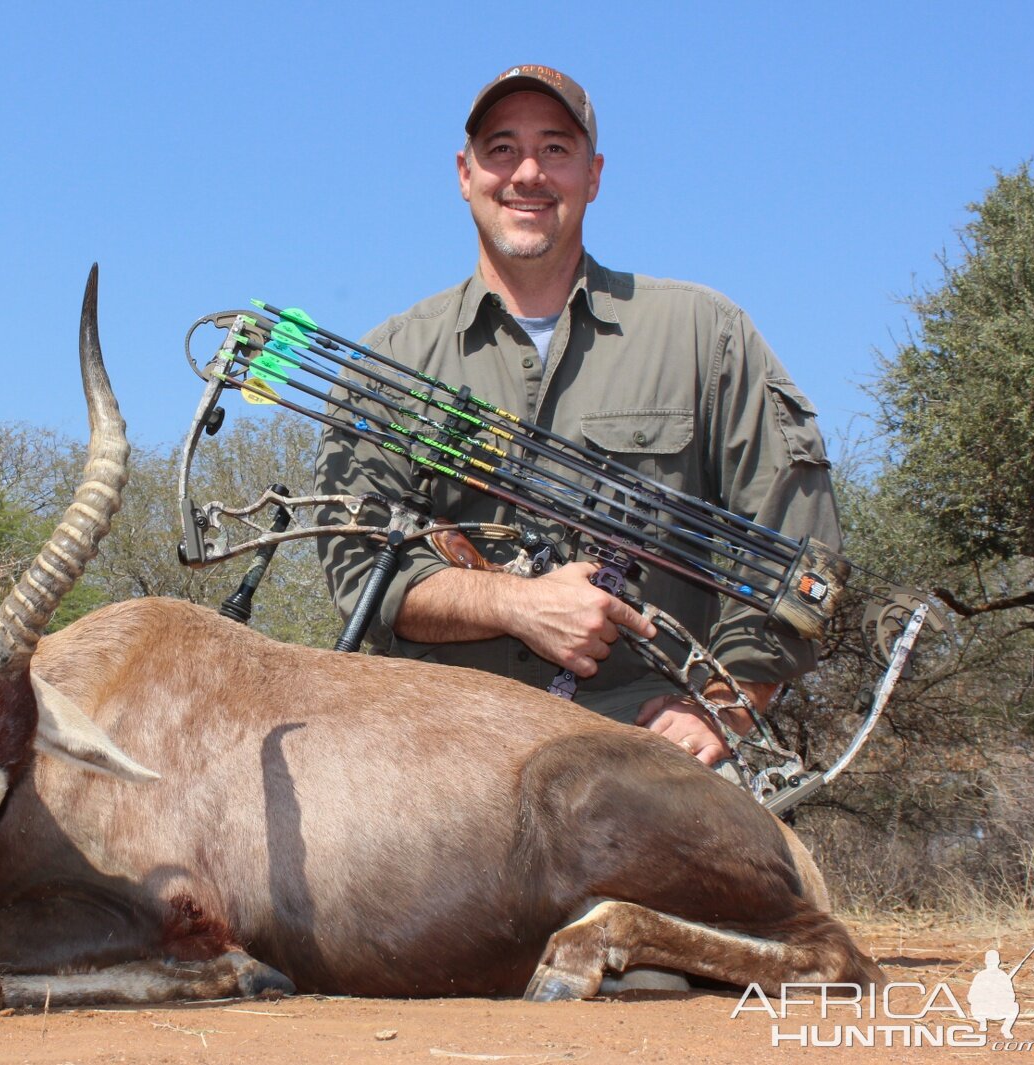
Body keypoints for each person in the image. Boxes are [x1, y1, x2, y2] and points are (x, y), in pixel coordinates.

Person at [314, 64, 840, 766]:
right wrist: (516, 605)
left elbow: (801, 555)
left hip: (644, 748)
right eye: (501, 148)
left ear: (592, 175)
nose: (527, 172)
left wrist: (722, 707)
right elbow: (359, 574)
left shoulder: (704, 333)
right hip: (441, 757)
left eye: (555, 149)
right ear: (464, 173)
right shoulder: (387, 360)